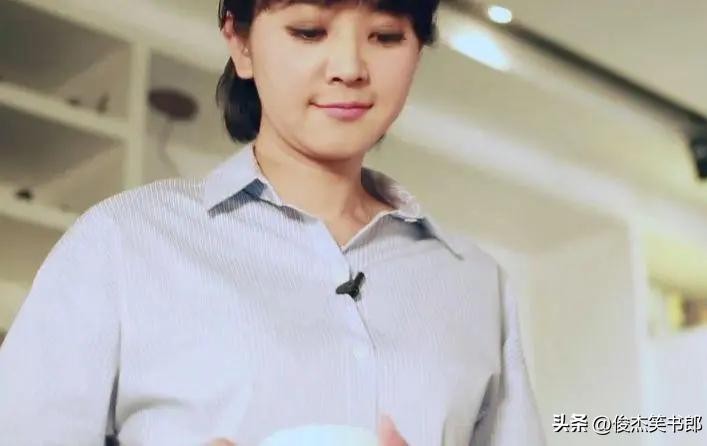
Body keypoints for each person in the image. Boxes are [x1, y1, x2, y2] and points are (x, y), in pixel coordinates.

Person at [0, 0, 546, 445]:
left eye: (385, 36)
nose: (350, 67)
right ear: (240, 42)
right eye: (309, 31)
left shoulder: (476, 283)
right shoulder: (124, 242)